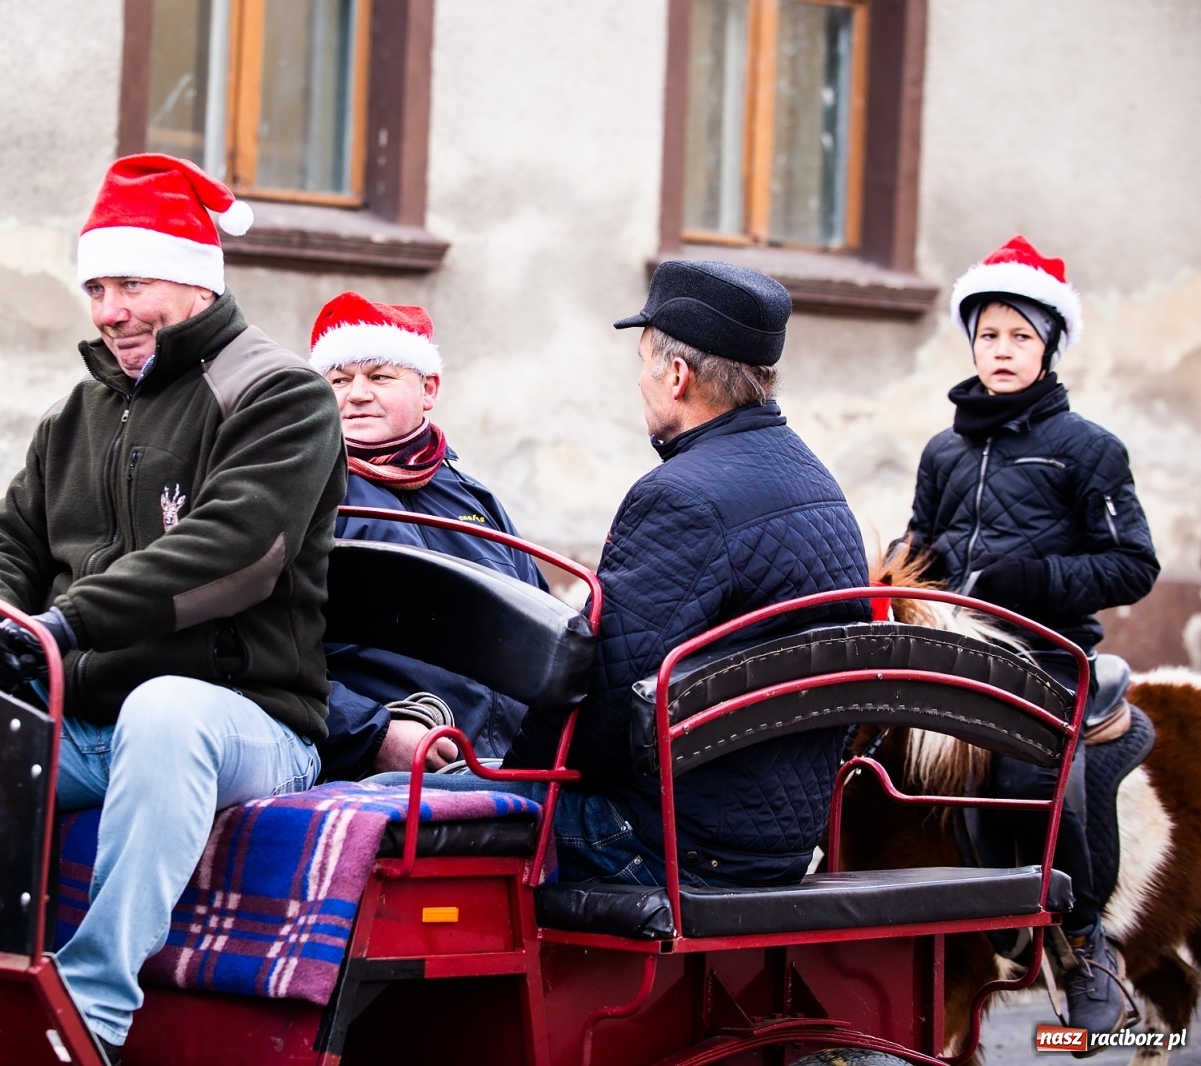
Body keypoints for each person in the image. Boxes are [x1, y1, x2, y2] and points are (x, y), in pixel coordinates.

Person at [0, 154, 345, 1060]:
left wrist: (63, 625)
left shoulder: (282, 393)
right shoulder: (75, 414)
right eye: (97, 287)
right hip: (89, 717)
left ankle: (88, 1016)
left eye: (133, 284)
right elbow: (9, 543)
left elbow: (239, 553)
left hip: (246, 720)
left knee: (165, 712)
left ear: (197, 281)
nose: (110, 311)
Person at [493, 260, 870, 887]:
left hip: (667, 843)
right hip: (773, 843)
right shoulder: (817, 483)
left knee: (392, 801)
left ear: (676, 375)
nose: (638, 380)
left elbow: (602, 697)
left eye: (643, 362)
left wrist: (512, 779)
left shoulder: (681, 496)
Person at [902, 235, 1159, 1035]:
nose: (1003, 349)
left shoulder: (1088, 449)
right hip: (956, 646)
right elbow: (922, 541)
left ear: (1048, 345)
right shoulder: (943, 451)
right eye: (989, 334)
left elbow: (1134, 565)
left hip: (1048, 653)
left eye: (1021, 335)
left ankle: (1083, 947)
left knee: (1023, 774)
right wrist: (908, 570)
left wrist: (1036, 579)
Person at [307, 291, 548, 780]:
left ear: (428, 389)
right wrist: (372, 733)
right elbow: (266, 647)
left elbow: (544, 632)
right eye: (339, 380)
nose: (356, 394)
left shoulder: (473, 498)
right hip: (373, 774)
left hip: (506, 771)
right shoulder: (303, 490)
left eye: (379, 377)